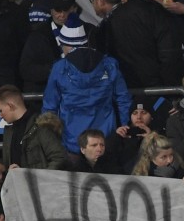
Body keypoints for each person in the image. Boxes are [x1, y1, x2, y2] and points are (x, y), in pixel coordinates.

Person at [41, 14, 132, 156]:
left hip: (72, 138)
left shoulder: (60, 68)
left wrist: (48, 136)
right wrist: (125, 124)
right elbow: (123, 98)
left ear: (67, 45)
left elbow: (49, 105)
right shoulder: (109, 64)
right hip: (105, 137)